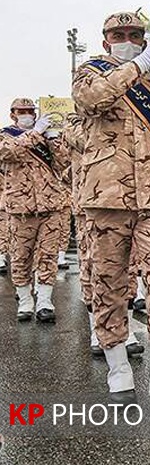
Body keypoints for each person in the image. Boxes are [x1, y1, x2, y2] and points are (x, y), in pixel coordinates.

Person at [72, 11, 150, 407]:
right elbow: (90, 101)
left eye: (135, 35)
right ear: (106, 39)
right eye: (119, 34)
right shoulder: (90, 71)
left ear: (145, 38)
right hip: (105, 196)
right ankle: (118, 366)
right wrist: (139, 65)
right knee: (109, 285)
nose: (127, 39)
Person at [62, 113, 144, 357]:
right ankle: (96, 330)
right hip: (88, 207)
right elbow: (84, 139)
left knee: (128, 269)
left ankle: (125, 331)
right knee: (92, 270)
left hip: (123, 203)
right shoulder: (73, 123)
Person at [0, 98, 69, 322]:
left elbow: (63, 163)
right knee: (21, 257)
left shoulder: (44, 137)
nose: (28, 115)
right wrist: (36, 133)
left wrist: (53, 140)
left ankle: (45, 301)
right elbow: (8, 153)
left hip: (51, 205)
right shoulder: (5, 135)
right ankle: (25, 300)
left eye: (31, 111)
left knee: (48, 255)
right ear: (13, 114)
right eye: (23, 111)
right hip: (21, 208)